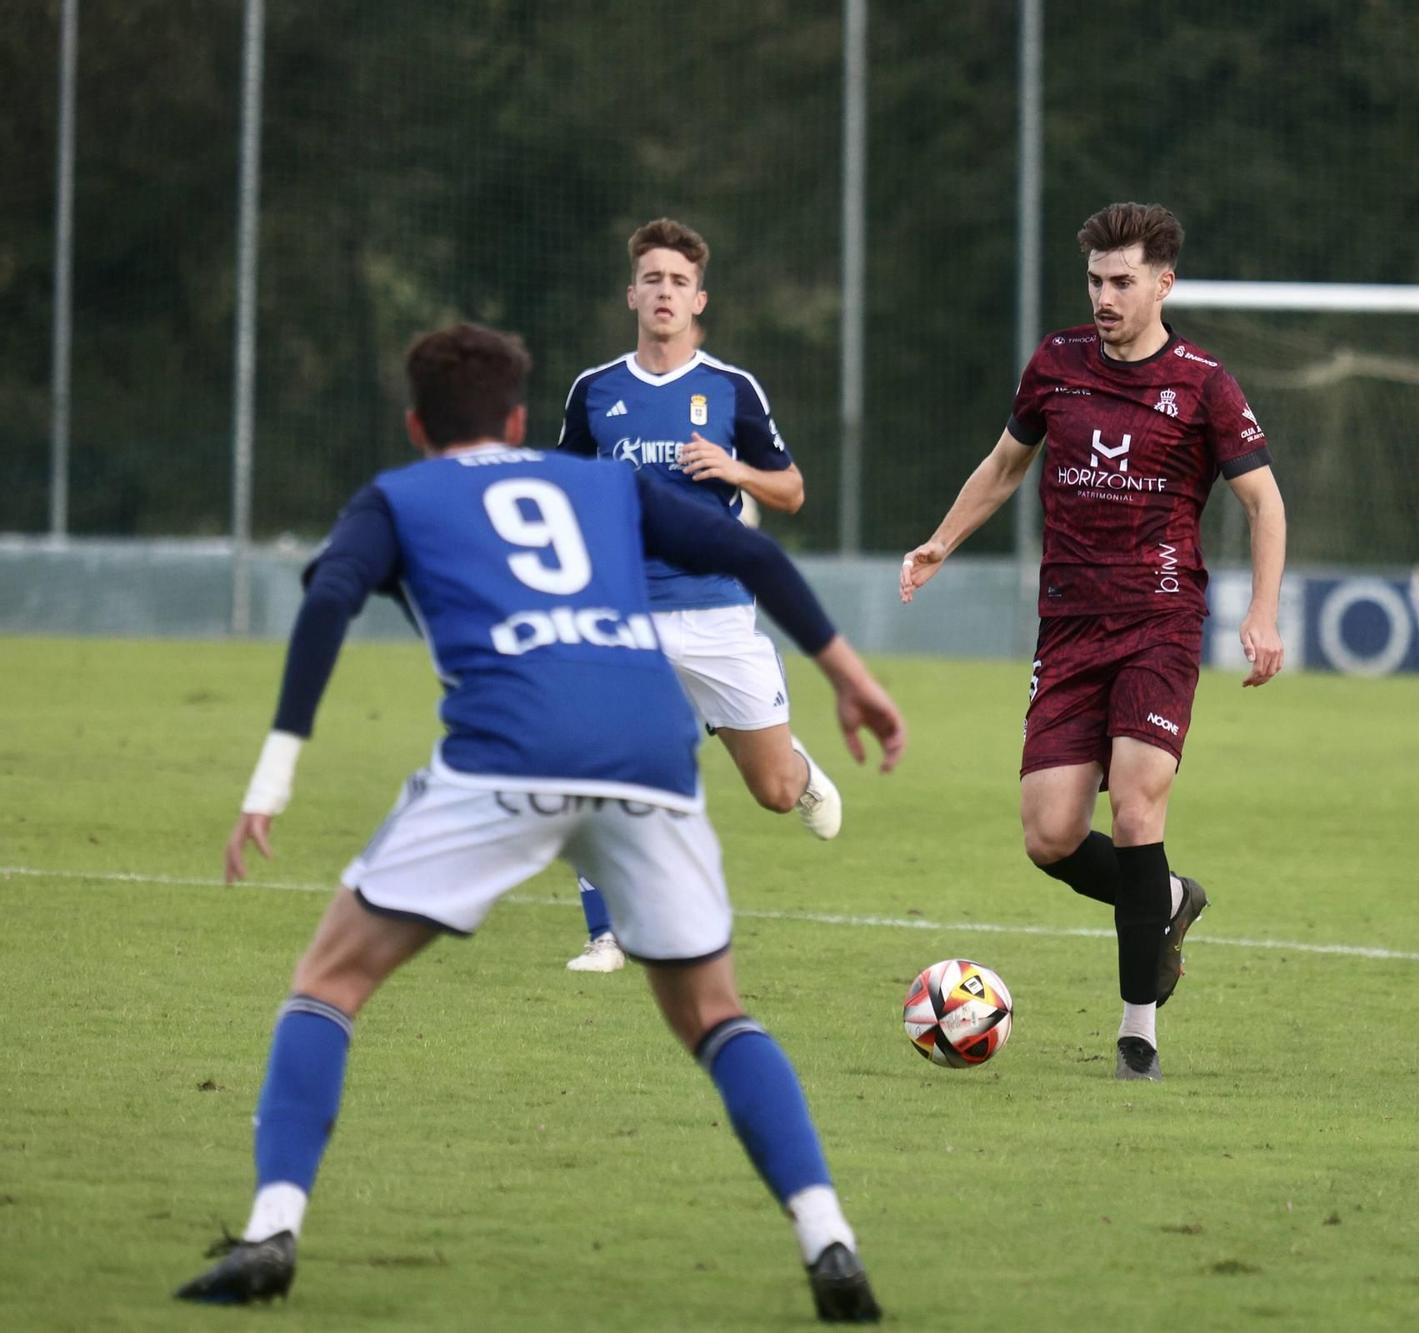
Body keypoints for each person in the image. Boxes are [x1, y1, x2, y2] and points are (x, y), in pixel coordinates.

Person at [175, 323, 897, 1322]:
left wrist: (274, 773)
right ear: (520, 418)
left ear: (417, 423)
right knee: (714, 1013)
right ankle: (829, 1240)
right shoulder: (601, 486)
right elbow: (744, 548)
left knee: (329, 981)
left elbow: (331, 595)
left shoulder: (398, 495)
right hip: (648, 752)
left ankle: (269, 1232)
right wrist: (849, 677)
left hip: (504, 754)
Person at [899, 202, 1286, 1083]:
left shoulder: (1202, 382)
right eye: (1095, 281)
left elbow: (1264, 502)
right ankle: (1171, 897)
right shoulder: (1056, 363)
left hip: (1159, 620)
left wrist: (1262, 612)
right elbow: (1004, 466)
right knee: (1049, 834)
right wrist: (939, 541)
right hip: (1069, 624)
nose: (1105, 297)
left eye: (1122, 282)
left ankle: (1138, 1034)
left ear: (1162, 283)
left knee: (1138, 806)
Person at [555, 216, 831, 975]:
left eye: (679, 281)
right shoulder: (595, 391)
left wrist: (733, 470)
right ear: (632, 293)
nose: (665, 292)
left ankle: (800, 770)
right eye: (653, 279)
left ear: (699, 298)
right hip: (622, 611)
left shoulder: (730, 390)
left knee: (773, 791)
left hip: (715, 611)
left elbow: (794, 490)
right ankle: (607, 932)